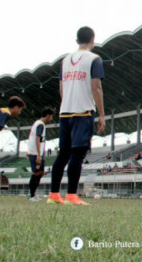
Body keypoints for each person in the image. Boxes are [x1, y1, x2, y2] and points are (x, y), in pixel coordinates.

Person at [49, 26, 106, 206]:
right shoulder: (94, 59)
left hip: (65, 112)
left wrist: (68, 103)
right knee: (77, 154)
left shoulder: (65, 61)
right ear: (92, 40)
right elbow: (96, 87)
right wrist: (102, 115)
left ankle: (53, 195)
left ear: (77, 41)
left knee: (63, 154)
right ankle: (72, 195)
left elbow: (61, 89)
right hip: (83, 111)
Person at [28, 108, 54, 201]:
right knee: (36, 173)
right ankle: (31, 195)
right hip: (35, 153)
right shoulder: (40, 125)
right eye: (51, 116)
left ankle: (33, 193)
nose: (51, 119)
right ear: (48, 115)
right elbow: (37, 139)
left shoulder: (37, 123)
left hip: (37, 152)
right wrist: (39, 155)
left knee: (41, 172)